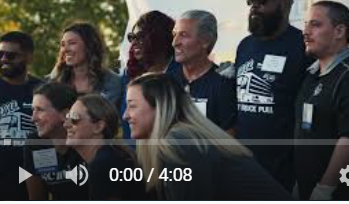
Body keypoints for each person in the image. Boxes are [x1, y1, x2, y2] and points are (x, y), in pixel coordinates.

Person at [123, 73, 291, 200]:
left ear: (160, 106)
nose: (125, 116)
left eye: (132, 106)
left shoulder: (180, 142)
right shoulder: (183, 137)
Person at [235, 0, 310, 189]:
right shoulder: (245, 45)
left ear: (285, 4)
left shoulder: (302, 45)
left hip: (284, 168)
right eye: (251, 0)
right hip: (245, 164)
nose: (254, 6)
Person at [294, 0, 349, 200]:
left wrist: (324, 189)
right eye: (305, 24)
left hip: (338, 192)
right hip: (305, 186)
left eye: (315, 24)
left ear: (339, 31)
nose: (305, 31)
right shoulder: (311, 74)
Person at [64, 94, 148, 200]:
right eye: (67, 118)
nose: (66, 124)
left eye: (74, 119)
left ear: (98, 127)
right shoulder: (111, 155)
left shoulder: (105, 163)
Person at [0, 31, 42, 200]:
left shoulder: (43, 90)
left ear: (28, 58)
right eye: (0, 54)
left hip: (37, 184)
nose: (3, 59)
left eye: (10, 55)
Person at [168, 10, 237, 133]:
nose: (175, 43)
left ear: (206, 41)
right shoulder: (168, 81)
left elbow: (230, 140)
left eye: (183, 35)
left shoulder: (223, 84)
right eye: (174, 34)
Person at [23, 82, 88, 200]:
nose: (33, 118)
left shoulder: (88, 141)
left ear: (65, 115)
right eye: (33, 110)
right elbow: (37, 199)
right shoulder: (36, 144)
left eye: (40, 110)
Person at [121, 10, 178, 139]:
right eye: (132, 37)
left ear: (160, 37)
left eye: (141, 36)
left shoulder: (182, 74)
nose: (134, 42)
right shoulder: (129, 75)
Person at [49, 22, 122, 108]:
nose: (65, 49)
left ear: (89, 46)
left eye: (72, 43)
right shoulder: (54, 81)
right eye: (63, 44)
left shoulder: (111, 82)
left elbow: (103, 116)